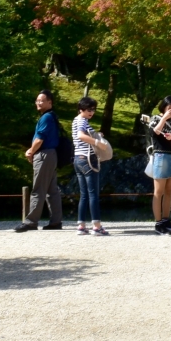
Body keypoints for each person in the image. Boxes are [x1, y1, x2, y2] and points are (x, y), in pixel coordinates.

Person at [14, 90, 64, 232]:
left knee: (38, 189)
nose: (38, 103)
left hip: (44, 155)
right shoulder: (51, 116)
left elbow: (40, 139)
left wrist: (30, 151)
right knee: (51, 190)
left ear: (50, 102)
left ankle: (31, 222)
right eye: (37, 100)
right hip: (51, 155)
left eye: (42, 100)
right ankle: (56, 221)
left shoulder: (46, 118)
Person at [145, 95, 171, 234]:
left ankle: (166, 220)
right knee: (158, 192)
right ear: (164, 107)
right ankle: (158, 223)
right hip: (161, 156)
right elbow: (154, 131)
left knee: (169, 191)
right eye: (169, 107)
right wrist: (164, 118)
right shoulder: (155, 118)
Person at [72, 96, 108, 236]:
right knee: (93, 194)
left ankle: (81, 225)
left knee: (84, 195)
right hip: (87, 159)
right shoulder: (82, 120)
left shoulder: (77, 120)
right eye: (88, 110)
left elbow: (82, 135)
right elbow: (81, 136)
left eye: (93, 110)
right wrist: (98, 143)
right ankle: (97, 227)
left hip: (77, 159)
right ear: (81, 109)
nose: (91, 112)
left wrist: (96, 135)